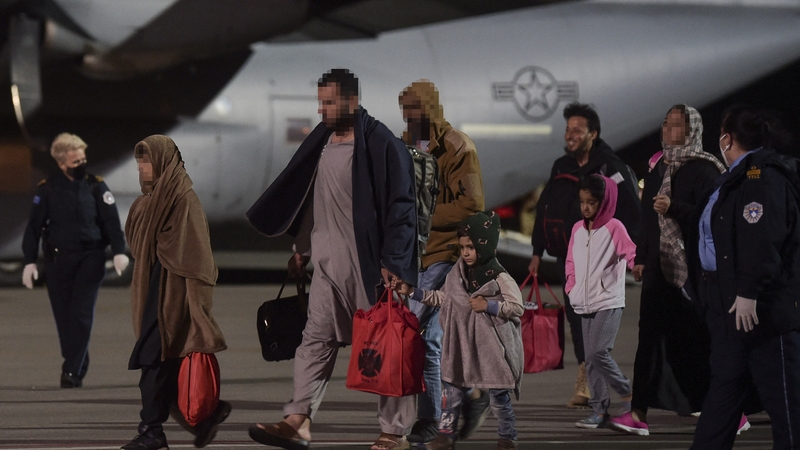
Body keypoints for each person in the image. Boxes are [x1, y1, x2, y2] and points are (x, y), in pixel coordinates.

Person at [246, 69, 418, 450]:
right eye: (320, 102)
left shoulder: (382, 144)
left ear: (351, 102)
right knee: (314, 341)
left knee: (386, 345)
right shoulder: (321, 143)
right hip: (326, 264)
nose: (322, 109)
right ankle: (298, 420)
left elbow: (402, 209)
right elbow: (311, 198)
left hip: (371, 267)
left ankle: (394, 432)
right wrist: (302, 250)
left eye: (329, 102)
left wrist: (396, 262)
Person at [609, 105, 726, 435]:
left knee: (696, 340)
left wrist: (676, 208)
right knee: (648, 339)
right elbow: (648, 217)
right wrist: (642, 256)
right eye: (665, 123)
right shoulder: (659, 166)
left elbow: (714, 219)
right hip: (659, 269)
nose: (666, 129)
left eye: (675, 125)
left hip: (694, 271)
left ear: (691, 131)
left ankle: (731, 409)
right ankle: (638, 413)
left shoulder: (706, 169)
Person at [688, 105, 800, 450]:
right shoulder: (736, 177)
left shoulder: (760, 177)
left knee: (786, 405)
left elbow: (762, 238)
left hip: (763, 315)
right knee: (722, 398)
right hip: (730, 312)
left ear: (726, 138)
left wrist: (749, 290)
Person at [528, 103, 641, 408]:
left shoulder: (610, 168)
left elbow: (632, 211)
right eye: (568, 130)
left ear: (594, 133)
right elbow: (544, 209)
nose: (570, 135)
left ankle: (610, 386)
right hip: (571, 258)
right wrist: (537, 251)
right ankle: (588, 382)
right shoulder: (561, 166)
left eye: (577, 130)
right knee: (578, 322)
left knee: (597, 329)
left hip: (603, 263)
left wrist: (632, 257)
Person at [122, 135, 230, 450]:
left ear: (163, 162)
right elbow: (137, 246)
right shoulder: (146, 203)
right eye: (139, 162)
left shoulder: (183, 200)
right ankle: (205, 418)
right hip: (151, 292)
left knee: (151, 361)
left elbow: (199, 260)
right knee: (163, 366)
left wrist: (198, 308)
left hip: (173, 298)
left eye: (147, 161)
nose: (142, 168)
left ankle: (151, 432)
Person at [398, 79, 487, 444]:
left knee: (413, 327)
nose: (408, 116)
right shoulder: (404, 145)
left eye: (415, 108)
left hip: (445, 254)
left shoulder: (457, 147)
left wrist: (424, 215)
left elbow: (472, 204)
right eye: (405, 109)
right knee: (430, 340)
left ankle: (431, 416)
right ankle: (458, 402)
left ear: (430, 108)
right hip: (415, 256)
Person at [393, 211, 524, 450]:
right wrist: (412, 292)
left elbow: (517, 307)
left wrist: (489, 306)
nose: (465, 253)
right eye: (463, 247)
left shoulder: (499, 276)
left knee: (499, 399)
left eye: (471, 247)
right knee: (451, 395)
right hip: (461, 346)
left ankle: (507, 437)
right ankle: (445, 435)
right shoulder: (457, 272)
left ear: (485, 246)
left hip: (492, 349)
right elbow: (444, 298)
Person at [22, 132, 129, 388]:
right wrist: (29, 261)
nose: (81, 165)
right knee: (64, 318)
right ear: (62, 164)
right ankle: (78, 361)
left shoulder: (96, 186)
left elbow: (112, 222)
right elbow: (34, 227)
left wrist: (119, 252)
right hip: (58, 262)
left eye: (83, 159)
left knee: (80, 315)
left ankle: (70, 371)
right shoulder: (47, 189)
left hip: (89, 259)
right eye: (75, 162)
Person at [565, 174, 636, 428]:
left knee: (597, 352)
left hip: (608, 301)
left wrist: (636, 265)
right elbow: (571, 262)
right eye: (583, 201)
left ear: (604, 202)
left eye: (592, 202)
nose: (585, 207)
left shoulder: (614, 227)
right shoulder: (577, 229)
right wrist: (571, 286)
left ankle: (627, 392)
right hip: (584, 302)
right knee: (590, 356)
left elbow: (630, 252)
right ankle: (599, 410)